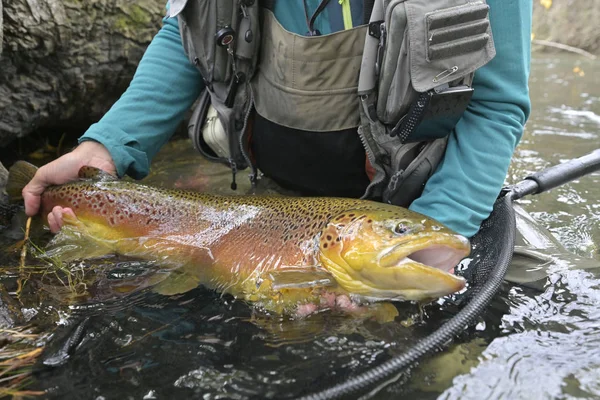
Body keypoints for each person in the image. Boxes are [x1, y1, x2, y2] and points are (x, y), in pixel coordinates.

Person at [22, 0, 532, 238]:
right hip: (267, 198)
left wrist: (437, 237)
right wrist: (107, 146)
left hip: (418, 206)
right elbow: (186, 36)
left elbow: (496, 104)